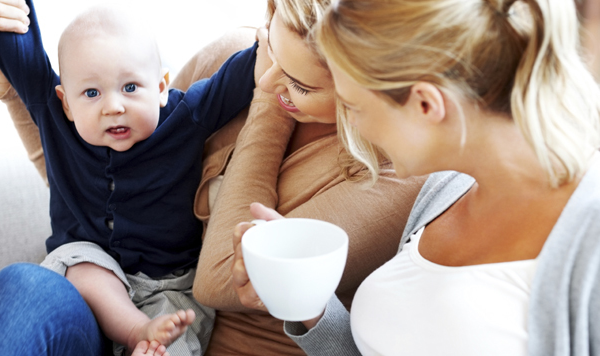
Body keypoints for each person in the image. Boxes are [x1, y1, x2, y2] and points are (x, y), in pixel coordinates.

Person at [0, 0, 425, 355]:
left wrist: (268, 109)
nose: (264, 81)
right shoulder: (234, 54)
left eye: (298, 84)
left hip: (181, 328)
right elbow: (106, 184)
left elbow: (216, 282)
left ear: (364, 83)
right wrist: (11, 72)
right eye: (272, 52)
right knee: (22, 288)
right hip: (97, 303)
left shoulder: (392, 174)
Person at [232, 0, 600, 355]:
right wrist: (308, 300)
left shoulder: (589, 242)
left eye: (355, 107)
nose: (353, 125)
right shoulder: (447, 190)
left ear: (426, 105)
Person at [0, 0, 260, 354]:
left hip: (169, 287)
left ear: (160, 87)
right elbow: (16, 43)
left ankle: (147, 341)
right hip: (87, 276)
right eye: (92, 93)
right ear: (66, 102)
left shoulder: (186, 116)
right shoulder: (53, 116)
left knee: (173, 341)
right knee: (81, 263)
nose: (113, 106)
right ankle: (134, 329)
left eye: (130, 87)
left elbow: (240, 75)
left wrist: (283, 30)